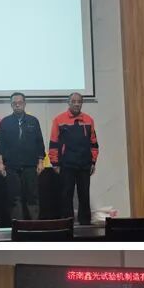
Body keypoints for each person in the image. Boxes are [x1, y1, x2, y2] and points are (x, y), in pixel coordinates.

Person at [49, 92, 99, 225]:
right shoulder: (59, 120)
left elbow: (94, 143)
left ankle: (85, 223)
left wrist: (93, 162)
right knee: (66, 194)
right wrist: (54, 163)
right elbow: (53, 143)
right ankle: (67, 223)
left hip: (84, 164)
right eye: (74, 101)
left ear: (82, 103)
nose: (76, 104)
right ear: (68, 103)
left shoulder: (89, 120)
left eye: (79, 102)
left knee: (84, 195)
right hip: (66, 164)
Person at [0, 92, 45, 220]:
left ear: (24, 104)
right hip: (11, 166)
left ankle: (33, 226)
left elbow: (39, 143)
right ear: (11, 105)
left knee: (32, 197)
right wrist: (0, 163)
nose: (17, 105)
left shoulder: (33, 121)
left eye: (20, 103)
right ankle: (17, 226)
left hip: (30, 166)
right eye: (14, 103)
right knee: (14, 198)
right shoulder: (5, 122)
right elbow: (0, 144)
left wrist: (40, 162)